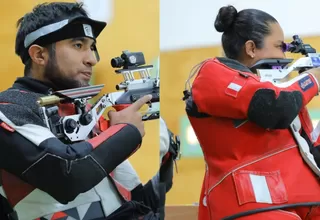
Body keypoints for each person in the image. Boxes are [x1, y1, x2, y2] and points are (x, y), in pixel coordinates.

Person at [0, 2, 173, 220]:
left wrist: (165, 158)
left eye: (92, 47)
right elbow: (67, 175)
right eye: (78, 45)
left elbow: (138, 204)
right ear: (39, 55)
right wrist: (126, 131)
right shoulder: (9, 109)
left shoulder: (81, 109)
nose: (92, 59)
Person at [184, 5, 320, 220]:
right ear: (251, 48)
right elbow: (277, 108)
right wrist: (313, 79)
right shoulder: (213, 73)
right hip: (254, 206)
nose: (284, 54)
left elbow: (311, 151)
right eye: (279, 46)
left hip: (295, 202)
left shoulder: (271, 89)